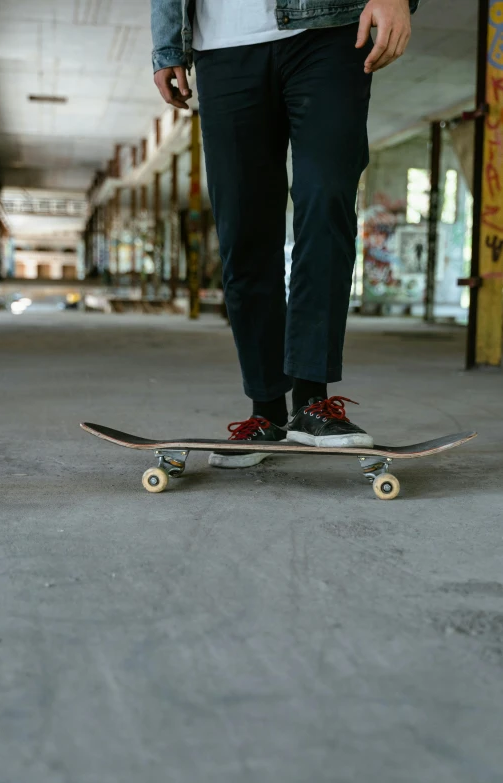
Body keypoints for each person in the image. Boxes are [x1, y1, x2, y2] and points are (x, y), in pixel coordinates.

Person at [151, 0, 417, 468]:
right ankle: (267, 410)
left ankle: (313, 402)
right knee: (244, 230)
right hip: (224, 48)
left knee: (326, 201)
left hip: (330, 32)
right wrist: (167, 42)